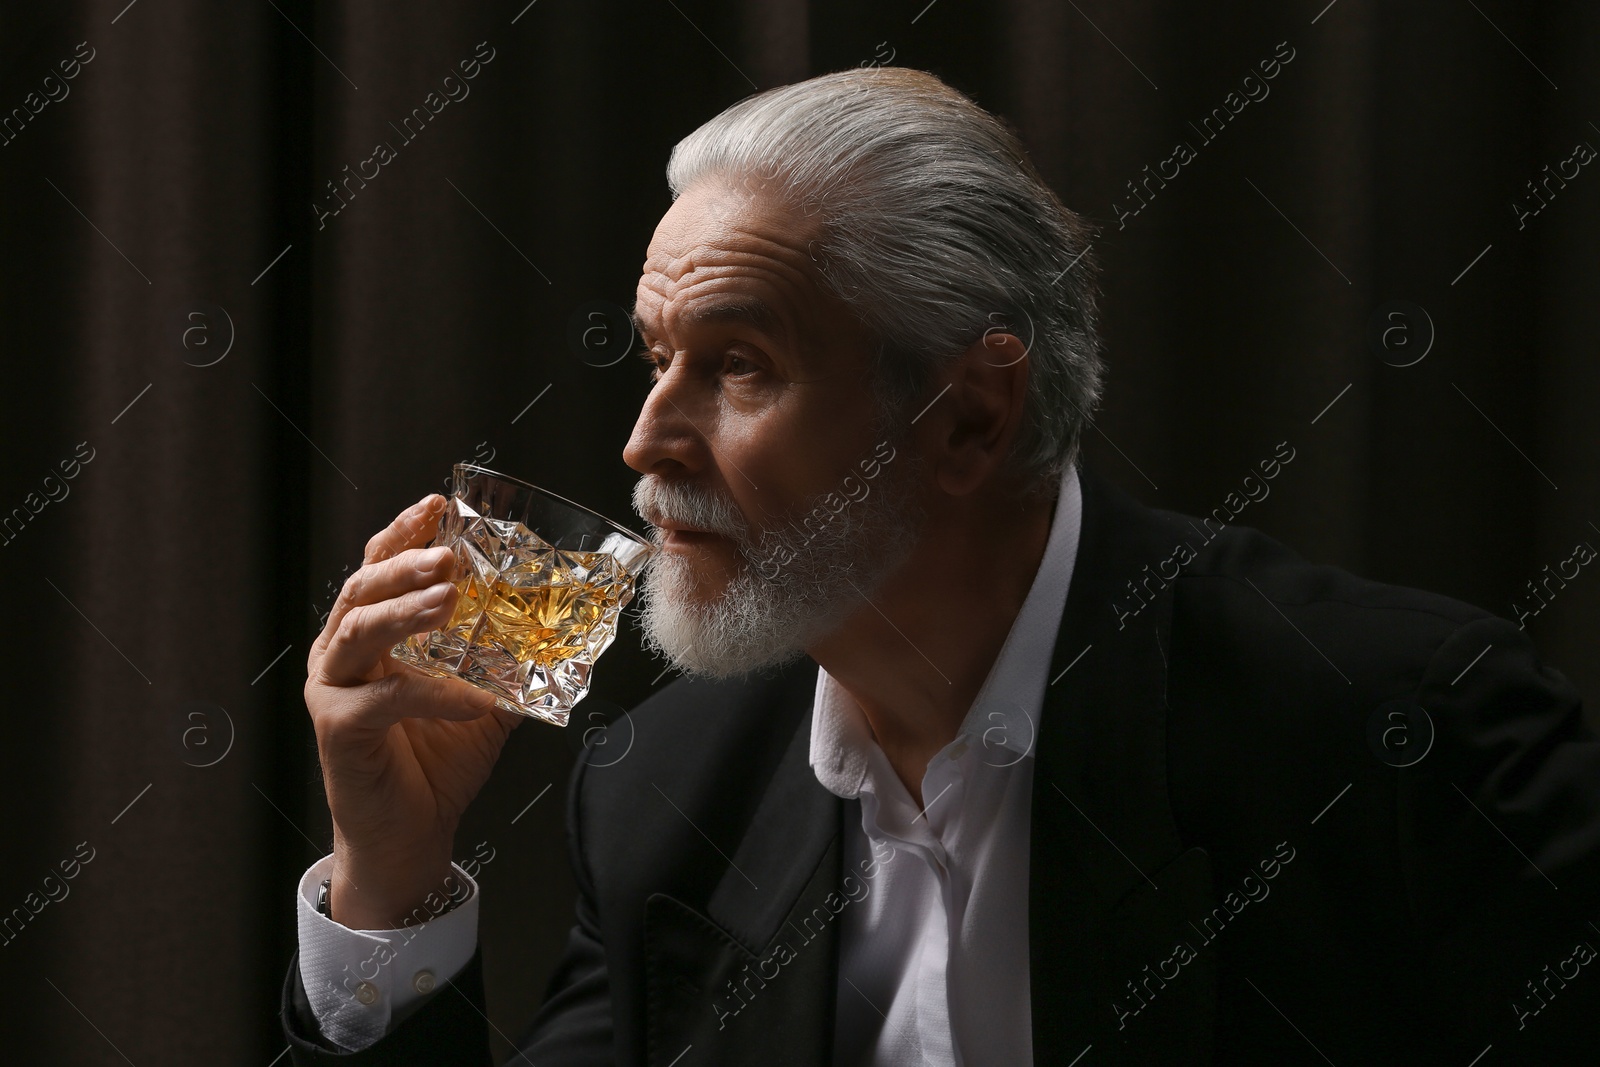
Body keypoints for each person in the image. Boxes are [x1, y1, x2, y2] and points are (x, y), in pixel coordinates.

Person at [279, 66, 1600, 1065]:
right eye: (654, 357)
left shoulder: (1409, 735)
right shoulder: (665, 795)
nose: (645, 441)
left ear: (969, 416)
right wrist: (389, 871)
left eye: (739, 364)